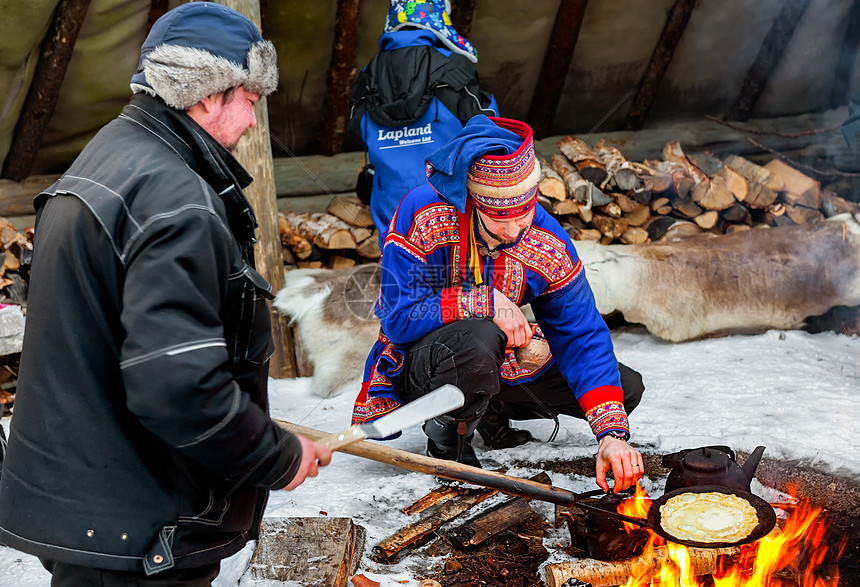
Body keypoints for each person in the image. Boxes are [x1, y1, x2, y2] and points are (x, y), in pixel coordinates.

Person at [0, 3, 331, 585]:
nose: (253, 123)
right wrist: (275, 456)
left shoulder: (112, 152)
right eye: (249, 102)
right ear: (208, 95)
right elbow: (178, 386)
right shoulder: (176, 202)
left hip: (95, 511)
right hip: (141, 522)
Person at [351, 116, 645, 493]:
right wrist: (483, 301)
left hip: (492, 356)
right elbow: (398, 319)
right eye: (498, 219)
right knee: (479, 336)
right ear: (472, 200)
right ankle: (449, 445)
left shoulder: (547, 241)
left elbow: (581, 334)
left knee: (622, 389)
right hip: (422, 361)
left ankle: (490, 411)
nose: (513, 231)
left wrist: (611, 434)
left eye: (523, 214)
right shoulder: (423, 213)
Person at [348, 0, 498, 238]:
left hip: (392, 211)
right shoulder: (452, 66)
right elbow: (488, 125)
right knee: (451, 273)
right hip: (448, 207)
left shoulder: (368, 75)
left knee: (400, 269)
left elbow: (357, 128)